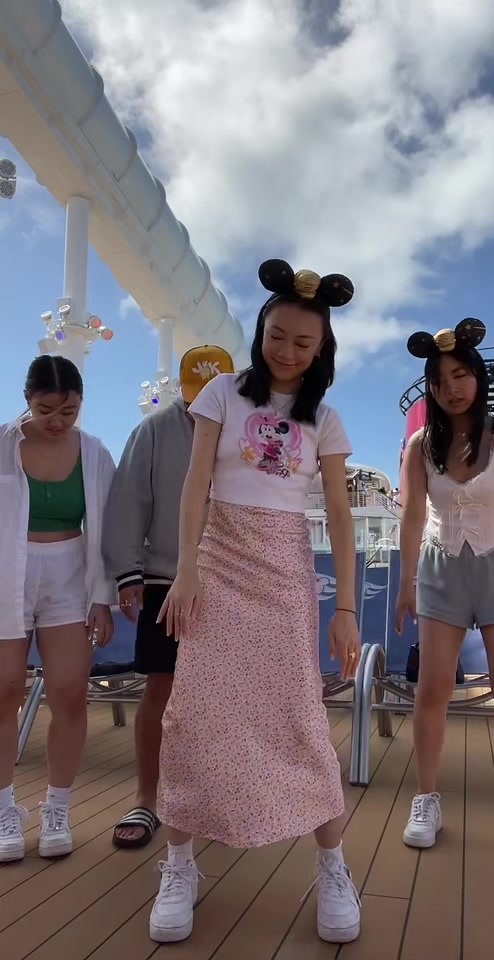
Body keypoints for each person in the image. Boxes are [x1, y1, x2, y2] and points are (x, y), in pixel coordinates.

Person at [149, 259, 362, 945]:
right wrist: (185, 570)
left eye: (304, 342)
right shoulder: (221, 393)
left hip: (284, 573)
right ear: (260, 331)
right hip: (218, 564)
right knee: (194, 713)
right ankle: (179, 865)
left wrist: (348, 609)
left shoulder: (324, 419)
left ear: (322, 349)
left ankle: (332, 866)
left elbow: (339, 515)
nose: (287, 351)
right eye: (277, 336)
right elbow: (195, 484)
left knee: (298, 715)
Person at [397, 319, 494, 858]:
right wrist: (407, 582)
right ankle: (426, 798)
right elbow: (412, 517)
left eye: (461, 375)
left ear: (478, 377)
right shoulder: (421, 446)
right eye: (440, 380)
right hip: (442, 570)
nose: (452, 388)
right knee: (433, 687)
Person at [102, 345, 234, 848]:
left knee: (227, 694)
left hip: (232, 579)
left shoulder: (248, 429)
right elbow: (128, 500)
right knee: (162, 687)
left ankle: (215, 794)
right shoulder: (154, 430)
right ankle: (148, 798)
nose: (203, 403)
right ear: (181, 387)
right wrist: (126, 572)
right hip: (164, 577)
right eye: (195, 393)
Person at [0, 354, 116, 862]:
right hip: (6, 573)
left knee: (69, 692)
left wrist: (102, 598)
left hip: (71, 574)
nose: (57, 421)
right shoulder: (2, 444)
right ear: (27, 401)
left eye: (68, 411)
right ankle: (3, 810)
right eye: (46, 410)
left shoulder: (94, 453)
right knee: (4, 691)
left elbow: (108, 527)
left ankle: (58, 809)